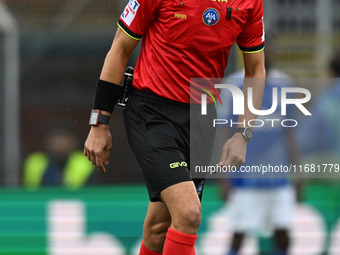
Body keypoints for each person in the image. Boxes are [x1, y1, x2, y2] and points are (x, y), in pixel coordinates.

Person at [83, 0, 266, 254]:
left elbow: (255, 69)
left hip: (201, 119)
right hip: (151, 113)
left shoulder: (250, 3)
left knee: (159, 229)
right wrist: (99, 124)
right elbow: (119, 49)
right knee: (189, 213)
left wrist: (243, 134)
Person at [217, 45, 301, 255]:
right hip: (245, 176)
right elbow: (225, 133)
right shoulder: (234, 85)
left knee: (283, 234)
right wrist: (224, 176)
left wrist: (298, 173)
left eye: (269, 49)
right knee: (239, 234)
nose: (267, 54)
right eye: (262, 49)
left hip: (278, 176)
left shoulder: (285, 85)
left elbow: (290, 134)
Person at [23, 123, 97, 188]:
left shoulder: (86, 161)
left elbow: (93, 192)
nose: (60, 143)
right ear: (47, 141)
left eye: (65, 139)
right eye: (56, 138)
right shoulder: (35, 161)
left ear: (74, 141)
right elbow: (29, 193)